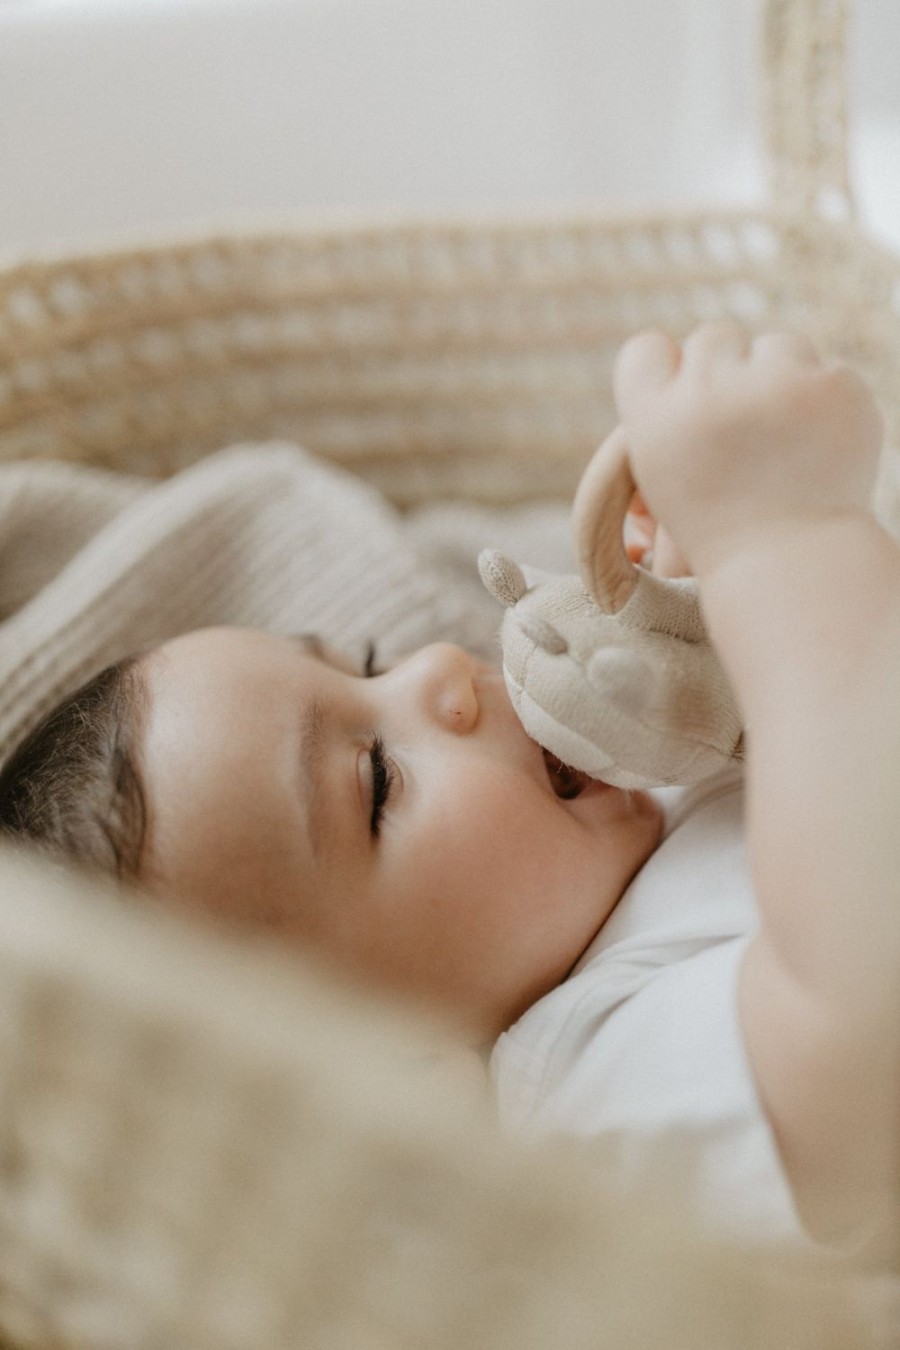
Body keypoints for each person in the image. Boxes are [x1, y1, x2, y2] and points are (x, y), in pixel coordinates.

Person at [1, 323, 897, 1262]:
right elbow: (856, 1036)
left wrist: (690, 602)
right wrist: (783, 540)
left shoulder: (628, 819)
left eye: (371, 664)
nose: (437, 667)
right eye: (377, 779)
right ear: (399, 1076)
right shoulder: (587, 1103)